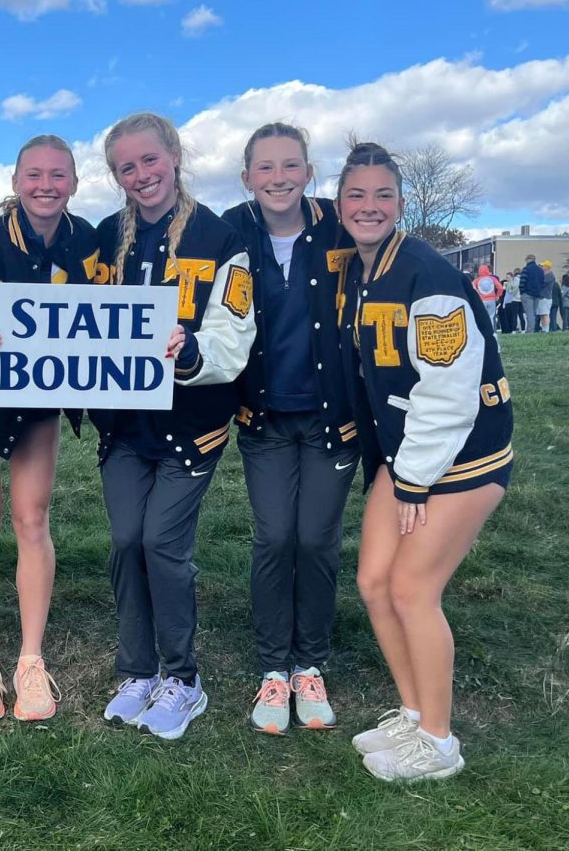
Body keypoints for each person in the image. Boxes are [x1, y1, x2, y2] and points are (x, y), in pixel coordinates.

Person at [334, 142, 512, 782]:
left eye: (383, 195)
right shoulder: (363, 268)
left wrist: (411, 480)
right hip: (407, 455)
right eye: (357, 195)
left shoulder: (427, 274)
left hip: (462, 454)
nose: (369, 206)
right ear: (340, 203)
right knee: (374, 583)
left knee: (412, 589)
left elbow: (448, 393)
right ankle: (414, 715)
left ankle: (439, 744)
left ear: (401, 204)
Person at [91, 113, 255, 740]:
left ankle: (182, 678)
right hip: (123, 426)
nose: (141, 175)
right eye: (126, 168)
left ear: (174, 156)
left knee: (163, 543)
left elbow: (232, 339)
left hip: (192, 424)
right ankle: (137, 670)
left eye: (149, 161)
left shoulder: (220, 237)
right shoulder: (106, 238)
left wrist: (190, 355)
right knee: (127, 541)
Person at [0, 134, 97, 722]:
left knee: (33, 519)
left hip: (40, 405)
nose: (46, 186)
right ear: (14, 182)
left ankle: (30, 659)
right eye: (34, 175)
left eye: (58, 175)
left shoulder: (91, 245)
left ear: (75, 183)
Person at [220, 123, 358, 735]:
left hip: (334, 417)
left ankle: (311, 664)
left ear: (308, 171)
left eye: (291, 166)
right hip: (264, 419)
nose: (279, 178)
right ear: (247, 175)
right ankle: (274, 669)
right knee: (275, 538)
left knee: (315, 540)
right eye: (265, 167)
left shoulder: (341, 224)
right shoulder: (228, 230)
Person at [519, 255, 543, 333]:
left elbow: (522, 282)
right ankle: (532, 328)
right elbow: (542, 282)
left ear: (528, 260)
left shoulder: (526, 269)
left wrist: (522, 291)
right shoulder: (540, 270)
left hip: (527, 293)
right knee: (533, 313)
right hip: (537, 294)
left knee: (529, 313)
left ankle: (530, 330)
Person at [472, 265, 500, 330]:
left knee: (482, 316)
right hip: (491, 299)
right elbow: (500, 287)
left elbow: (472, 287)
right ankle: (491, 330)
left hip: (481, 300)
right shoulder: (493, 279)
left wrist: (477, 296)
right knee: (491, 316)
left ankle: (483, 330)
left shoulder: (477, 280)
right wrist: (497, 295)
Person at [539, 260, 556, 333]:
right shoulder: (545, 275)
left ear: (547, 267)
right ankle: (543, 328)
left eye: (543, 266)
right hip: (542, 297)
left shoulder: (550, 276)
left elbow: (542, 283)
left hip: (546, 297)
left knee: (545, 314)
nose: (542, 267)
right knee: (542, 314)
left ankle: (546, 329)